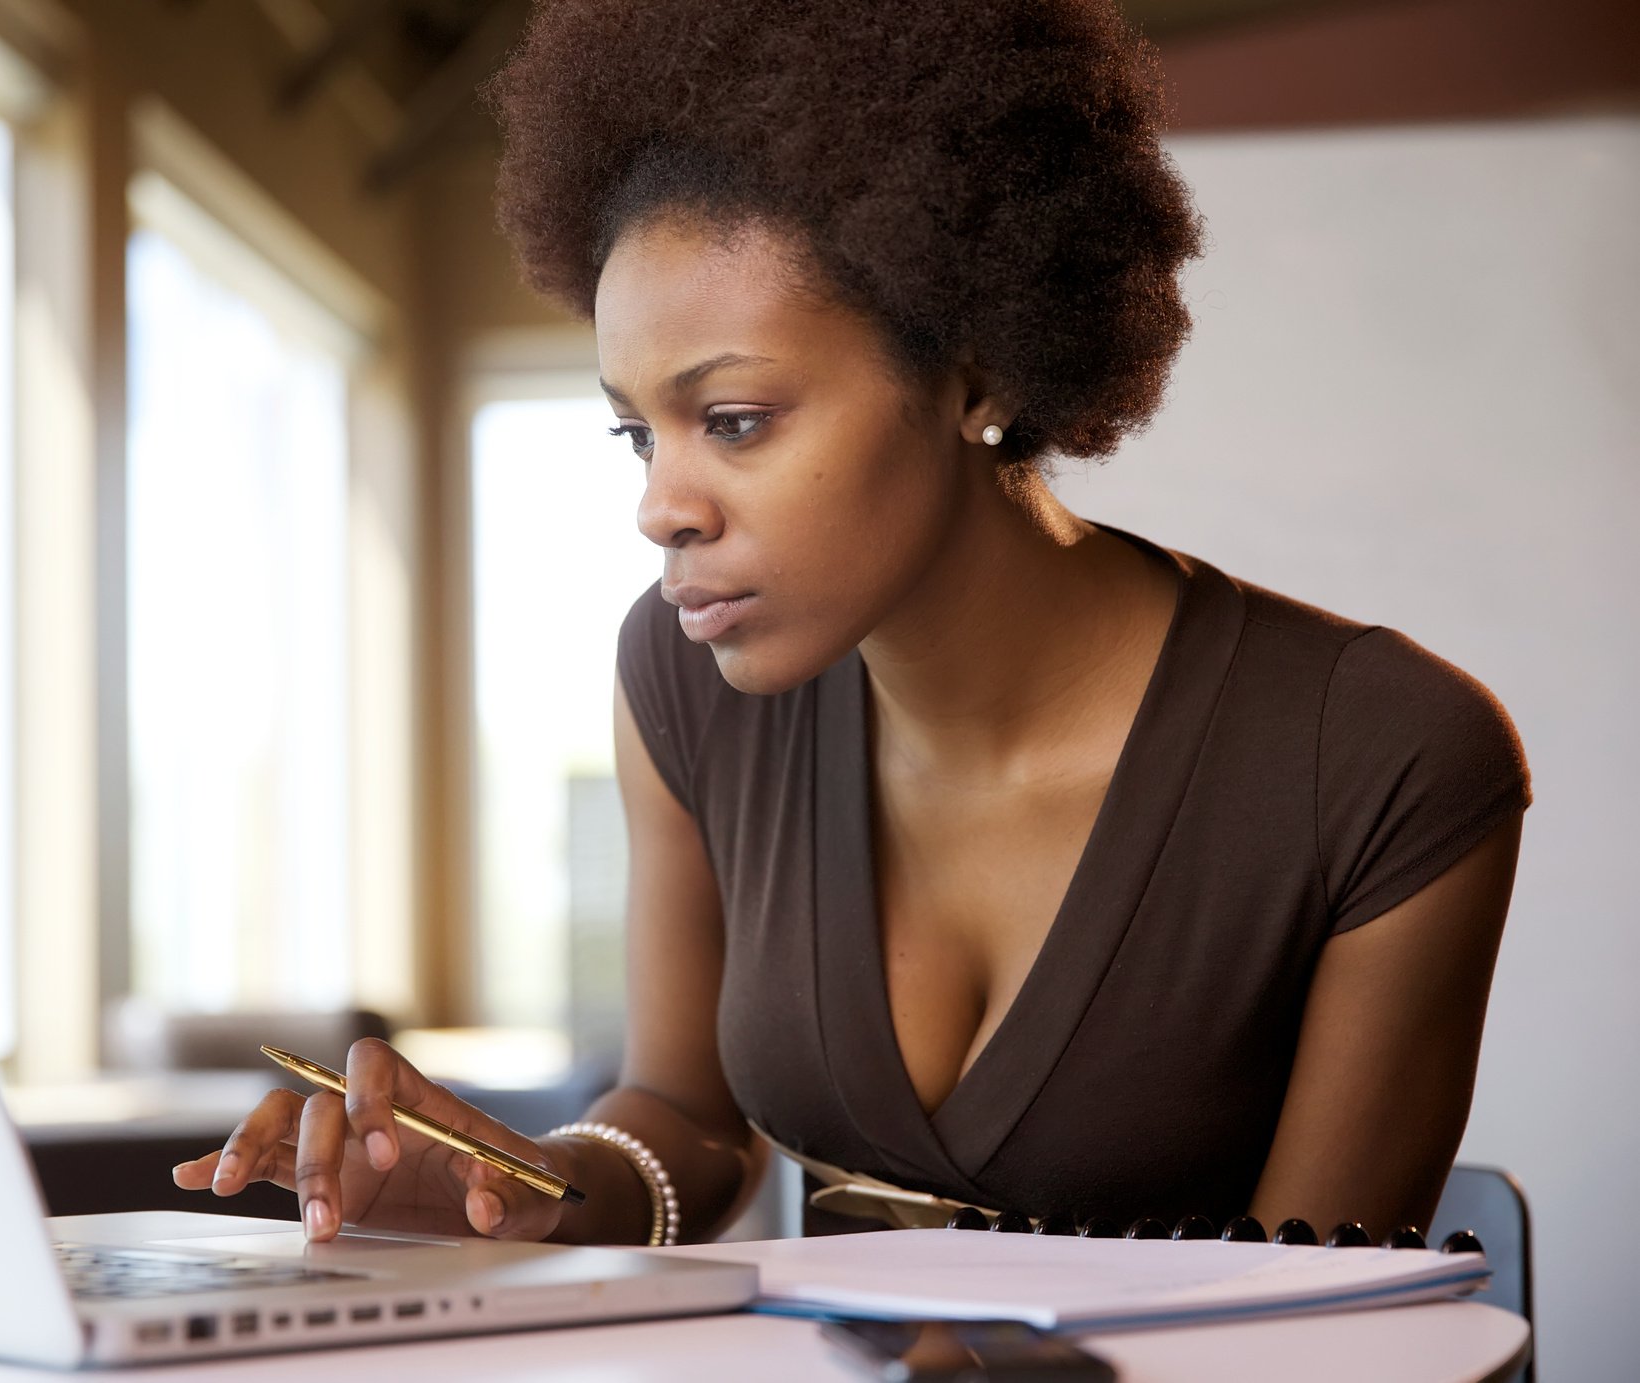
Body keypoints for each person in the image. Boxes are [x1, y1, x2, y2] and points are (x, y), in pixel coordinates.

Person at [173, 0, 1530, 1248]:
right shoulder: (681, 678)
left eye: (735, 420)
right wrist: (502, 1188)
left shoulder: (1379, 762)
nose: (660, 507)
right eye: (635, 434)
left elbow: (1315, 1333)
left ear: (973, 369)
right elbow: (688, 1125)